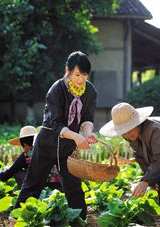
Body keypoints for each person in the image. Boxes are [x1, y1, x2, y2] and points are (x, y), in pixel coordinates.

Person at [12, 51, 98, 223]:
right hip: (47, 142)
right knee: (34, 183)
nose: (81, 79)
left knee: (73, 185)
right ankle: (15, 220)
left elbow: (87, 118)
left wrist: (87, 134)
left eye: (85, 75)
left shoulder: (90, 91)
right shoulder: (56, 89)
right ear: (67, 70)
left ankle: (79, 222)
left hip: (68, 146)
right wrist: (76, 136)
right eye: (77, 74)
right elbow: (56, 123)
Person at [0, 126, 62, 191]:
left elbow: (6, 175)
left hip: (43, 187)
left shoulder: (26, 155)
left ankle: (27, 193)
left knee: (17, 172)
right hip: (60, 185)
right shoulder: (49, 149)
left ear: (25, 144)